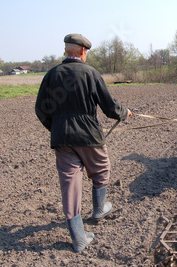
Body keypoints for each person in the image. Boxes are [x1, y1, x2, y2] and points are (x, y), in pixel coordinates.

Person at [35, 33, 132, 252]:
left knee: (70, 185)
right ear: (81, 51)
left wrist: (57, 128)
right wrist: (125, 112)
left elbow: (41, 109)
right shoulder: (90, 73)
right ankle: (99, 210)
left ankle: (79, 239)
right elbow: (109, 107)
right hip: (89, 136)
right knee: (101, 170)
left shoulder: (51, 75)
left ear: (66, 51)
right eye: (86, 51)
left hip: (62, 139)